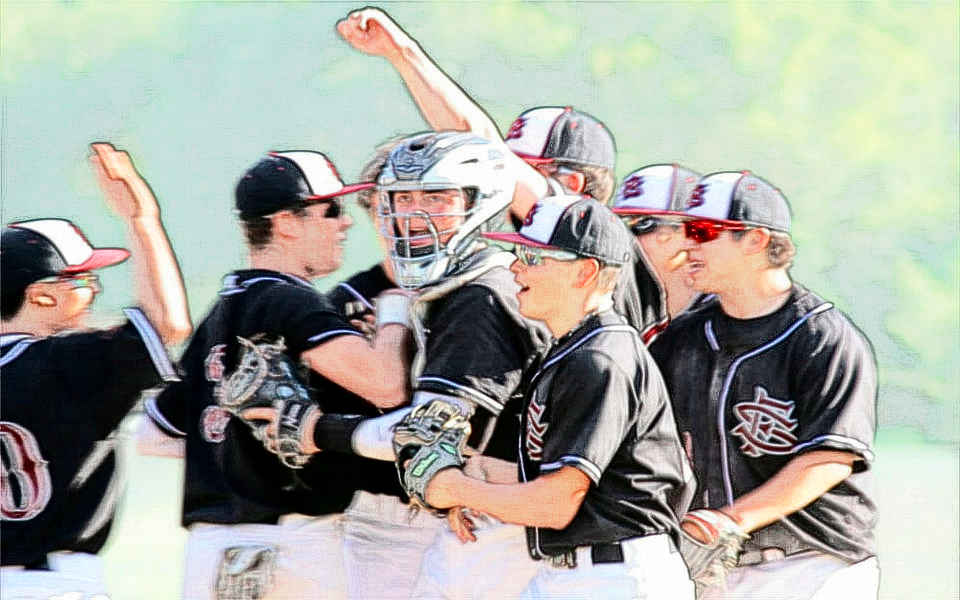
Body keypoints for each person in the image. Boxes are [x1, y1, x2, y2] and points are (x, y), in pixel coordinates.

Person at [242, 131, 552, 599]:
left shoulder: (481, 295)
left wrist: (317, 429)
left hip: (500, 525)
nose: (413, 214)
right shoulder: (457, 286)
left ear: (481, 199)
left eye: (436, 197)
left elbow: (431, 434)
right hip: (479, 512)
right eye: (402, 199)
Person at [138, 150, 413, 599]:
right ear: (286, 223)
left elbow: (153, 434)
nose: (345, 223)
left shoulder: (222, 310)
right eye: (331, 210)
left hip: (212, 546)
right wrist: (394, 313)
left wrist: (239, 453)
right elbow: (386, 384)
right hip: (294, 542)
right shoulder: (291, 301)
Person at [419, 195, 695, 599]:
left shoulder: (599, 359)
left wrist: (454, 487)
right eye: (519, 253)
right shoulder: (572, 350)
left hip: (615, 578)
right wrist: (478, 474)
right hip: (584, 572)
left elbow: (556, 504)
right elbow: (585, 486)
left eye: (533, 257)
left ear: (585, 272)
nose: (515, 267)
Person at [649, 171, 879, 599]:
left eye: (703, 232)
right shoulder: (683, 338)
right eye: (685, 232)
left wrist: (731, 520)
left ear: (756, 240)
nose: (687, 245)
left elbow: (830, 458)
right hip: (712, 565)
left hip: (812, 563)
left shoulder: (821, 338)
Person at [0, 142, 192, 599]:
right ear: (42, 294)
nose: (95, 289)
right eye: (82, 279)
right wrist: (142, 218)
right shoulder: (62, 363)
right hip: (54, 584)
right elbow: (168, 324)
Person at [611, 163, 706, 338]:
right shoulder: (614, 303)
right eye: (619, 224)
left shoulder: (730, 315)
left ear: (688, 234)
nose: (626, 237)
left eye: (641, 224)